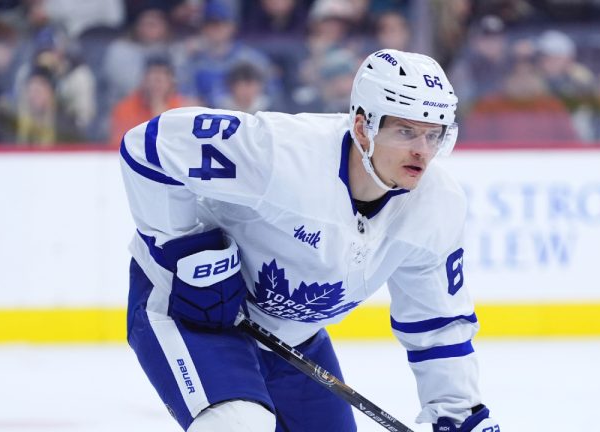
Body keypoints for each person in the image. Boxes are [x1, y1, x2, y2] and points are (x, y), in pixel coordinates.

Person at [119, 49, 499, 432]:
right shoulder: (285, 153)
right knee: (238, 424)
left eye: (435, 135)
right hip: (190, 310)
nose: (423, 151)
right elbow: (151, 146)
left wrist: (459, 413)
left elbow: (438, 325)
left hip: (292, 339)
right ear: (363, 126)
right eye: (406, 131)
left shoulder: (437, 207)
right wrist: (188, 249)